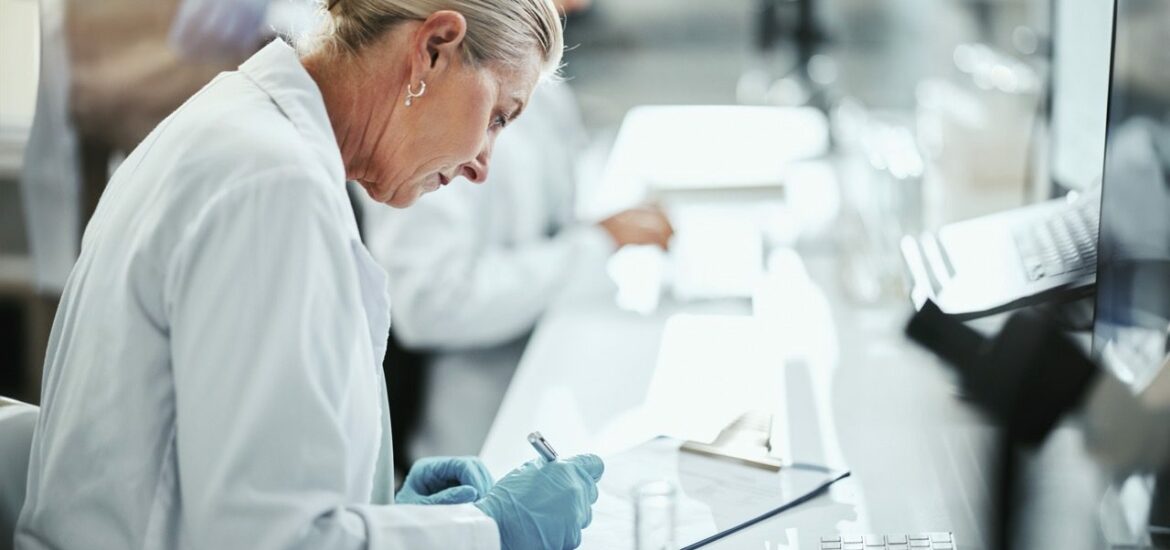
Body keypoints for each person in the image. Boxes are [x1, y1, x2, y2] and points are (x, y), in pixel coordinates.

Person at [16, 1, 603, 549]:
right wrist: (483, 532)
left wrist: (384, 509)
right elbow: (268, 538)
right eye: (498, 116)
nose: (482, 165)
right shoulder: (273, 186)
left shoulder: (240, 125)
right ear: (434, 49)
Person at [359, 0, 673, 462]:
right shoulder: (446, 84)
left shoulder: (533, 69)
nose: (481, 162)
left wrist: (597, 236)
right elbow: (426, 302)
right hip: (475, 442)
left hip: (543, 397)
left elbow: (542, 226)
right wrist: (594, 245)